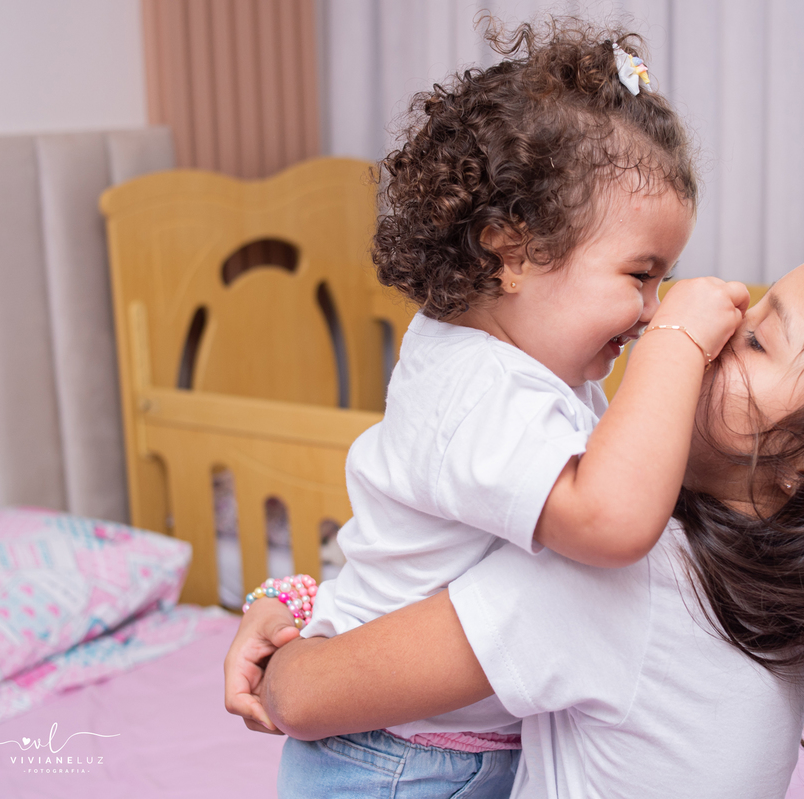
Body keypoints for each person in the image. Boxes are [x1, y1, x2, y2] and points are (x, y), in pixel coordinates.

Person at [227, 223, 804, 799]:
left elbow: (306, 697)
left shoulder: (626, 574)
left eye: (759, 340)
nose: (710, 317)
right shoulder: (786, 590)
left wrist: (282, 626)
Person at [232, 17, 750, 799]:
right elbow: (611, 520)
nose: (652, 307)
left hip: (452, 743)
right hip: (392, 759)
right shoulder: (476, 385)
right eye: (641, 275)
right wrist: (675, 342)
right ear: (511, 251)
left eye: (664, 282)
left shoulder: (535, 368)